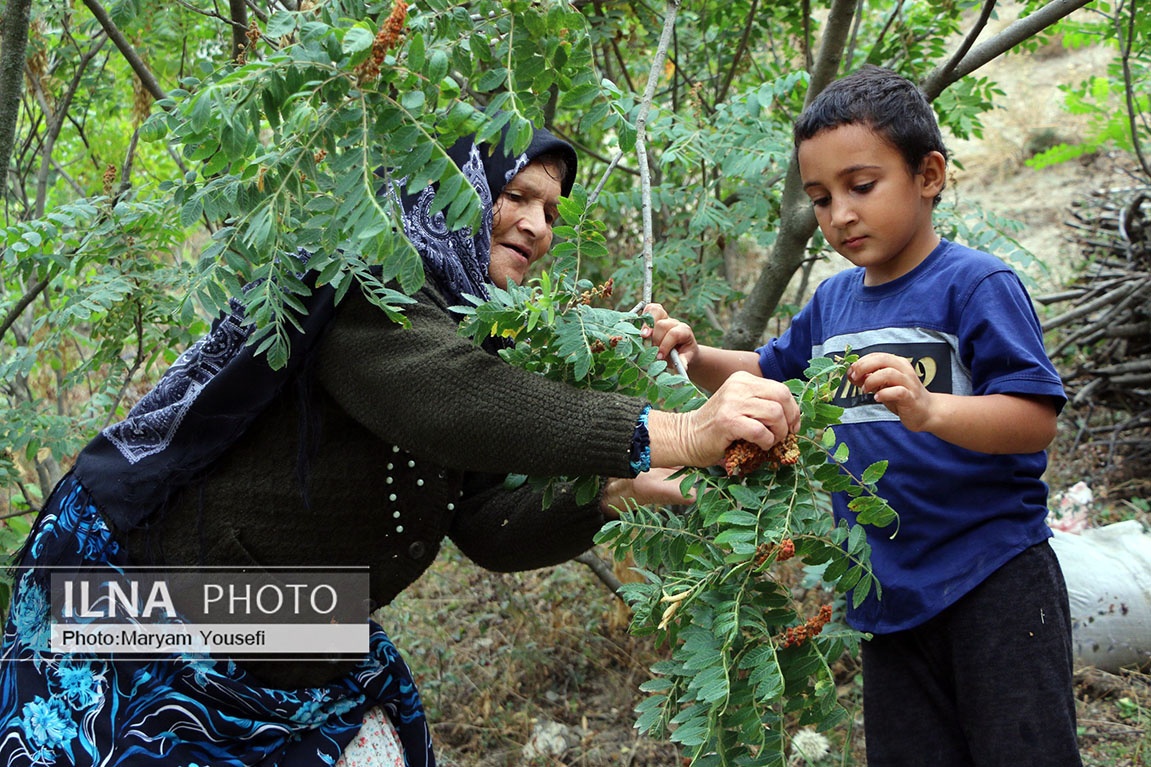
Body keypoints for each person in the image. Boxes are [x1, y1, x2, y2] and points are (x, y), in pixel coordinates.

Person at [0, 120, 800, 767]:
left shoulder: (473, 330)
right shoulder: (362, 277)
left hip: (291, 627)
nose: (537, 225)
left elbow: (485, 521)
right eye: (517, 196)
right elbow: (439, 395)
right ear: (452, 189)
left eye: (552, 211)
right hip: (137, 600)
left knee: (366, 715)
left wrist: (609, 493)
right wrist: (675, 430)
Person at [643, 66, 1082, 766]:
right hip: (881, 589)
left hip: (992, 577)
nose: (838, 214)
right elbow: (764, 373)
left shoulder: (974, 284)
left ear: (928, 174)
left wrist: (930, 407)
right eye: (819, 198)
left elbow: (1034, 418)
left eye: (860, 186)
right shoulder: (834, 303)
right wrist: (696, 356)